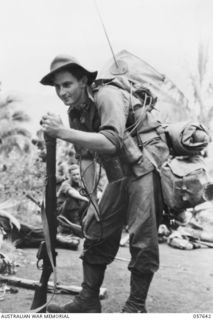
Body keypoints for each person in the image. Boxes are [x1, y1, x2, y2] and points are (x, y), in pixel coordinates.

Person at [40, 54, 170, 313]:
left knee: (141, 237)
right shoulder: (76, 113)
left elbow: (112, 141)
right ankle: (88, 300)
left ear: (84, 81)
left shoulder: (107, 96)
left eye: (67, 85)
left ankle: (135, 307)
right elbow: (87, 157)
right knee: (96, 229)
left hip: (145, 165)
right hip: (119, 175)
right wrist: (93, 201)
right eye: (57, 87)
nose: (62, 92)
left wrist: (61, 132)